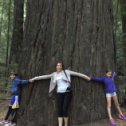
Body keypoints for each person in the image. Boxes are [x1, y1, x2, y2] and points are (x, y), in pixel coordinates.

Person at [30, 62, 90, 126]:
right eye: (58, 65)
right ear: (56, 67)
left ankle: (66, 124)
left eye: (60, 65)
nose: (59, 67)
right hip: (59, 93)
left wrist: (86, 77)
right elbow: (44, 77)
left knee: (64, 109)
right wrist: (34, 78)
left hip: (67, 92)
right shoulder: (54, 74)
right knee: (59, 109)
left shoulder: (66, 72)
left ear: (62, 67)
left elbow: (77, 74)